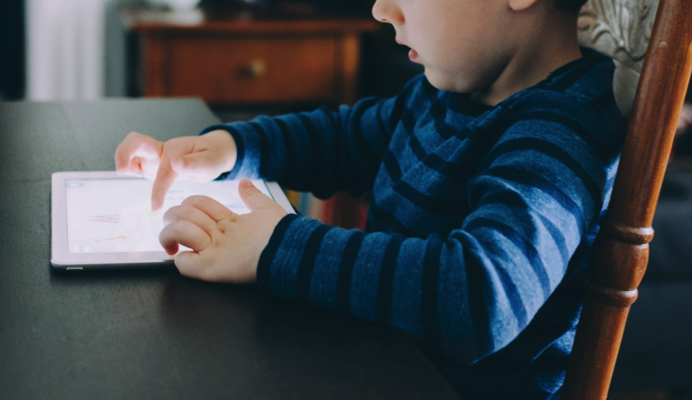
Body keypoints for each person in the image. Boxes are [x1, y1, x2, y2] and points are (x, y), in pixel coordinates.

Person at [115, 0, 626, 397]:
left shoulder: (561, 131)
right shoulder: (447, 93)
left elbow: (481, 296)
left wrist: (276, 244)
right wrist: (231, 147)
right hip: (381, 364)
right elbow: (343, 139)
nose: (382, 9)